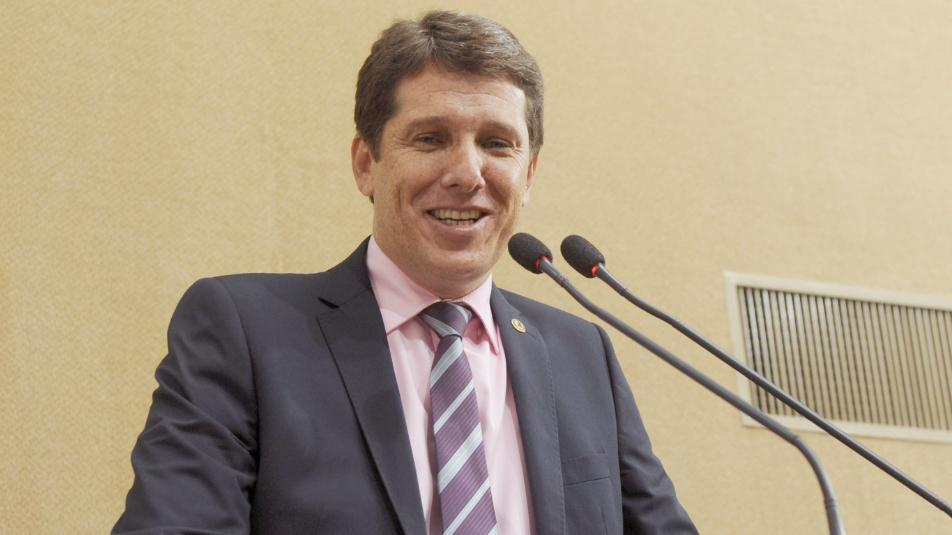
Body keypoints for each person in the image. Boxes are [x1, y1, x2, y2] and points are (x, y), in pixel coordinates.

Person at [114, 10, 697, 535]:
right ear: (366, 164)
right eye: (430, 139)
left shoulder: (581, 353)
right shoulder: (245, 332)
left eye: (497, 143)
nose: (467, 173)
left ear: (529, 175)